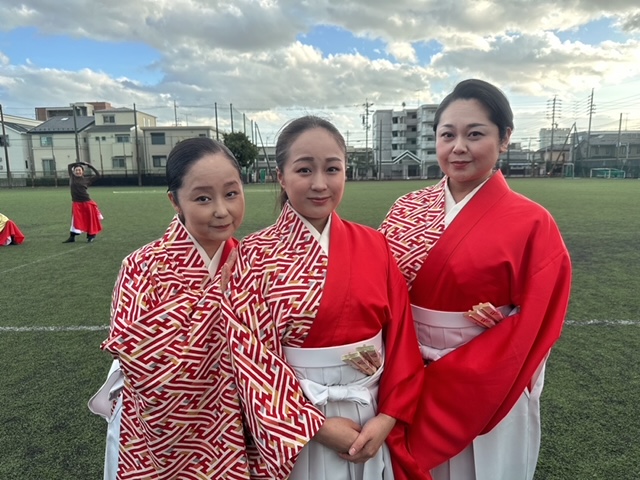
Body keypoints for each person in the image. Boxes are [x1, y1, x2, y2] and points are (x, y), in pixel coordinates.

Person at [379, 79, 572, 480]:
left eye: (475, 134)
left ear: (505, 138)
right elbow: (378, 291)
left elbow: (539, 318)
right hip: (407, 371)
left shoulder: (533, 222)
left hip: (485, 380)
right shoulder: (407, 208)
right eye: (447, 135)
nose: (458, 147)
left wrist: (476, 364)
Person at [221, 115, 426, 480]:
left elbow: (401, 340)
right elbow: (250, 359)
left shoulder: (375, 245)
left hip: (370, 414)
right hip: (297, 423)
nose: (320, 184)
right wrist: (313, 426)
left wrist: (387, 417)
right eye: (304, 170)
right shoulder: (252, 254)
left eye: (332, 169)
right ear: (281, 176)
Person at [89, 137, 252, 479]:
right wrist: (217, 300)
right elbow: (142, 363)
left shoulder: (253, 262)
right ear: (175, 200)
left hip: (236, 425)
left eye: (231, 193)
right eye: (203, 198)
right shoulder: (141, 266)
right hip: (156, 432)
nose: (222, 210)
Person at [63, 161, 103, 243]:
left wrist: (89, 166)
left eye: (79, 170)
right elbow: (69, 165)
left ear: (82, 171)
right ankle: (72, 237)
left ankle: (91, 236)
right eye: (76, 170)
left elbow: (98, 175)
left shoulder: (86, 180)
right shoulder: (72, 177)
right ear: (74, 171)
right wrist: (81, 163)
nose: (78, 172)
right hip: (76, 203)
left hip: (86, 202)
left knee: (90, 219)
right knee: (75, 220)